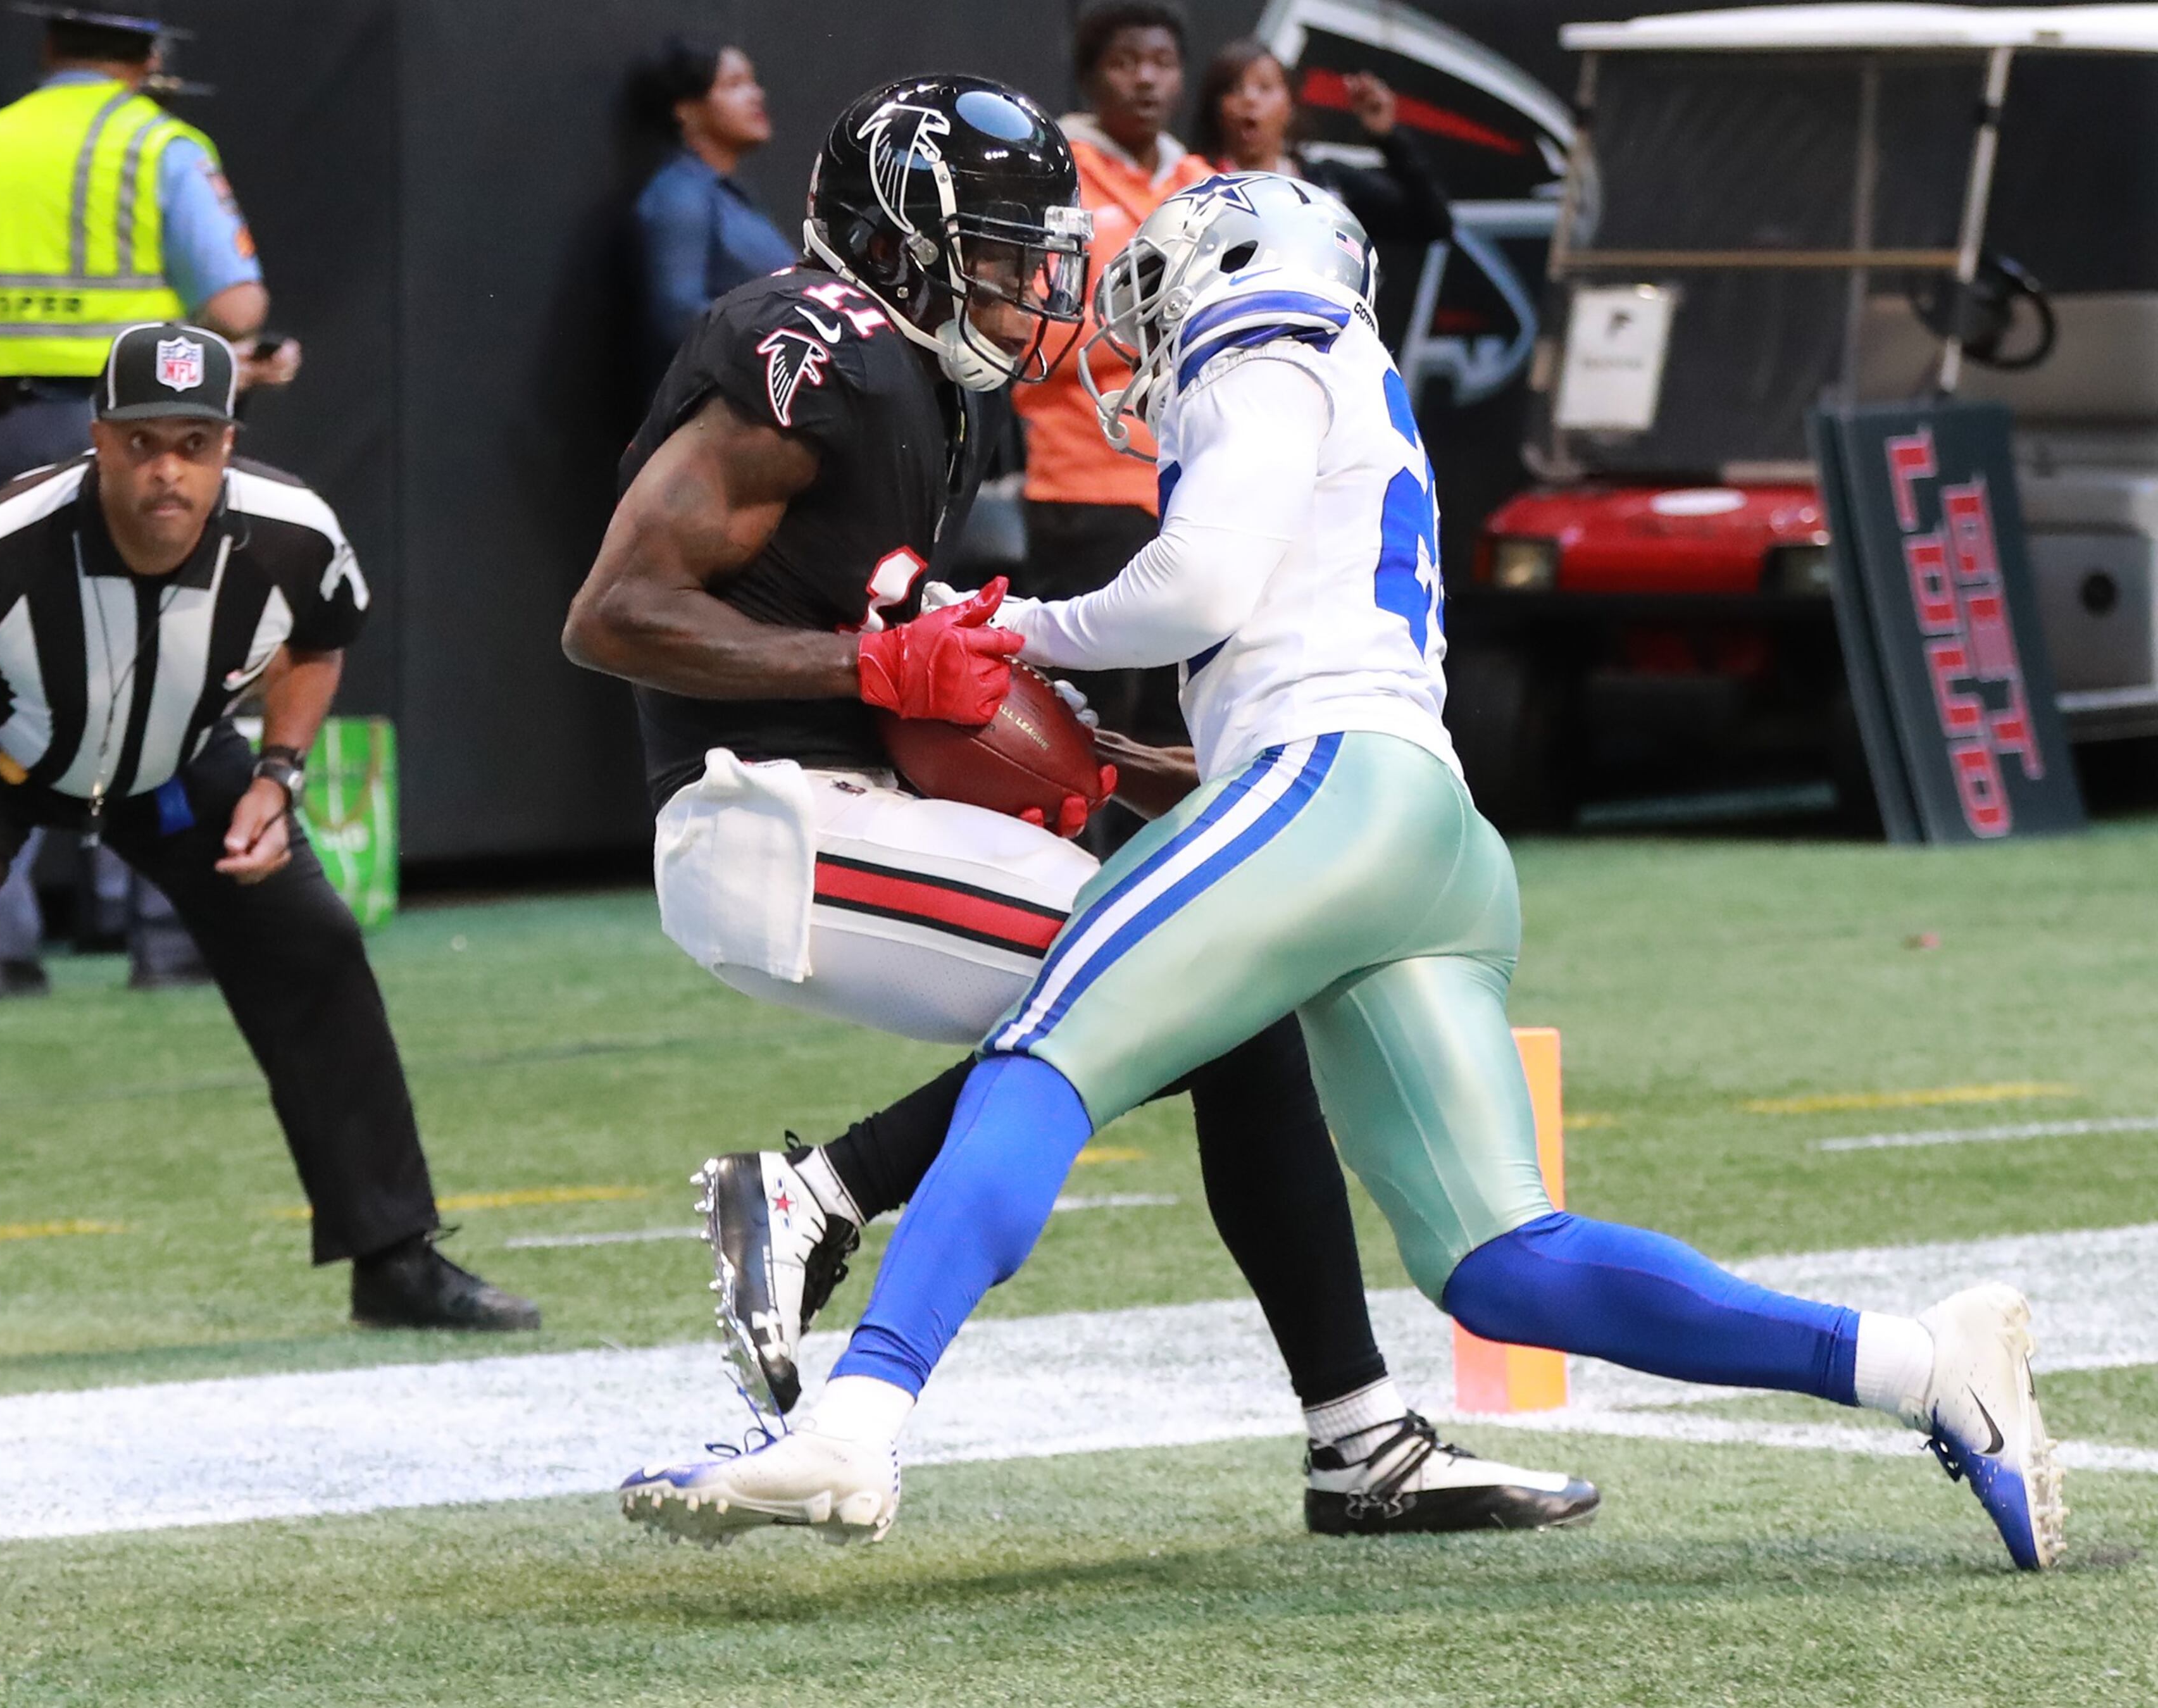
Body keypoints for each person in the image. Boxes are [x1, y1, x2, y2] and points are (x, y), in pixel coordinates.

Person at [618, 176, 2065, 1574]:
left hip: (1328, 786)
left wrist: (1015, 629)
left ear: (1231, 267)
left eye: (1154, 293)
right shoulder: (1351, 377)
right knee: (1502, 1258)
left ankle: (856, 1422)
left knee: (1044, 1052)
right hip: (1426, 832)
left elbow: (1196, 588)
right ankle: (1917, 1362)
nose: (1139, 332)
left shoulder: (1264, 340)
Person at [566, 79, 1592, 1536]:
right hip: (772, 825)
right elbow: (614, 612)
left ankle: (1356, 1438)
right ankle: (819, 1192)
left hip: (856, 809)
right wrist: (871, 664)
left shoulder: (925, 390)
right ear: (903, 236)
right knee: (1202, 980)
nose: (1025, 287)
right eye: (996, 252)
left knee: (1229, 996)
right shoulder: (813, 335)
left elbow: (904, 654)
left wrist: (1121, 757)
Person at [0, 324, 540, 1367]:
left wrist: (279, 774)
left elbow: (320, 640)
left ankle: (394, 1259)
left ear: (228, 445)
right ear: (98, 440)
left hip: (173, 762)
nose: (167, 469)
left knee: (312, 942)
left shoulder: (294, 533)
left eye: (192, 442)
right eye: (141, 442)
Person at [0, 0, 302, 997]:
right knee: (166, 671)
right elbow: (237, 304)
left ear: (49, 38)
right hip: (138, 444)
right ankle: (166, 932)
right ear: (149, 49)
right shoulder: (159, 147)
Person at [1013, 0, 1211, 845]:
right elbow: (1029, 335)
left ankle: (1171, 892)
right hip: (1082, 487)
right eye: (1126, 63)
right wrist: (1139, 323)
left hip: (1193, 488)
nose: (1146, 80)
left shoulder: (1205, 183)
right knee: (1087, 713)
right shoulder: (1055, 182)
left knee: (1184, 709)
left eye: (1161, 62)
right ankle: (1071, 892)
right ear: (1092, 77)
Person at [628, 38, 794, 386]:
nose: (756, 95)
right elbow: (680, 317)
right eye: (734, 85)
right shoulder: (680, 195)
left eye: (753, 82)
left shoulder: (728, 197)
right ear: (686, 110)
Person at [1194, 41, 1454, 246]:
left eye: (1265, 87)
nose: (1250, 99)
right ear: (1216, 108)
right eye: (1234, 89)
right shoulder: (1195, 186)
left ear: (1290, 106)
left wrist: (1389, 138)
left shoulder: (1328, 186)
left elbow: (1433, 223)